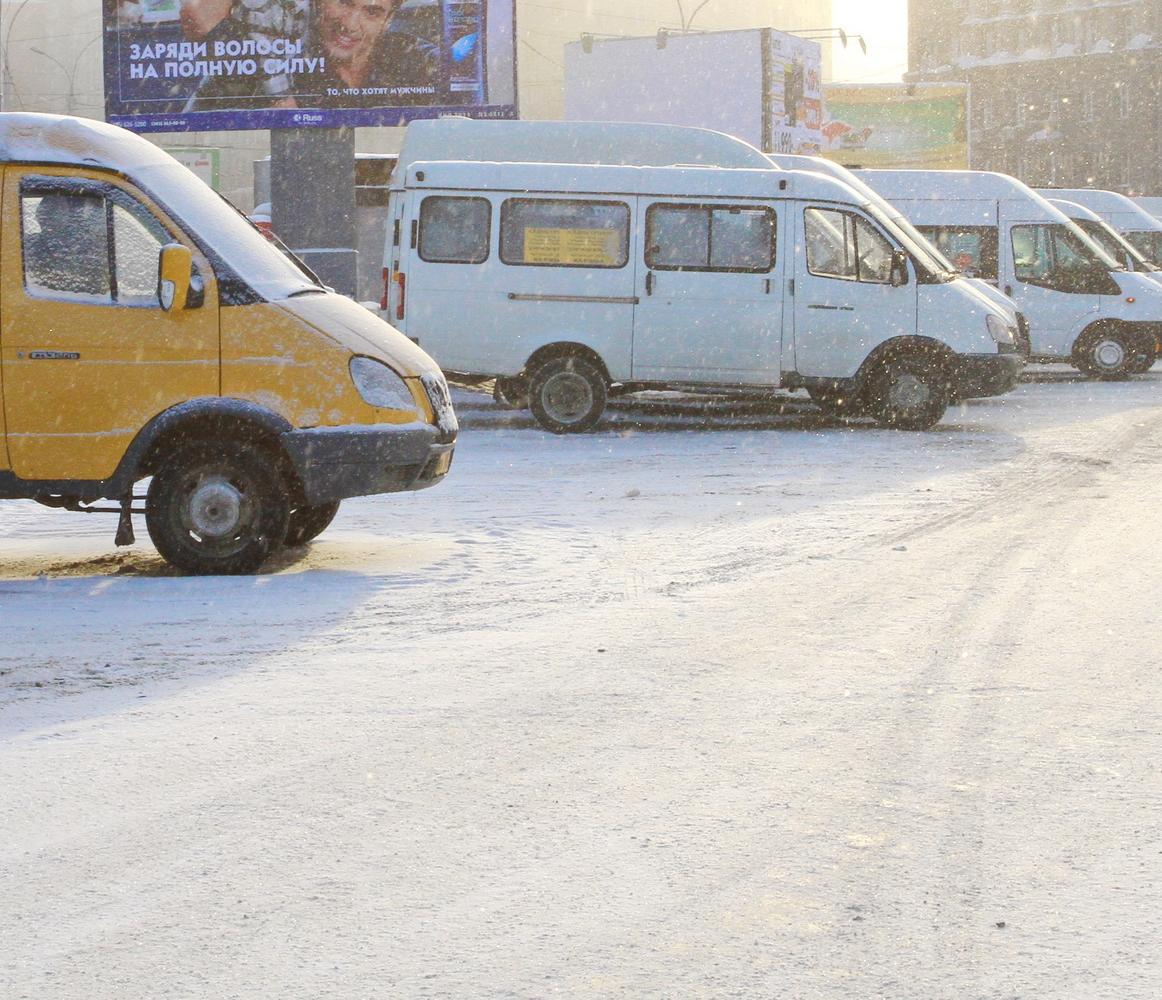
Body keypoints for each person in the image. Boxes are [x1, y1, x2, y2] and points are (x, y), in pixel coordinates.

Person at [294, 0, 438, 108]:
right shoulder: (285, 63)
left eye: (371, 12)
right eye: (344, 2)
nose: (350, 25)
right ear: (317, 2)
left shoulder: (418, 58)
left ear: (388, 21)